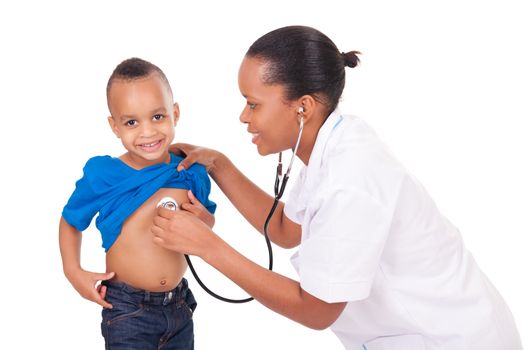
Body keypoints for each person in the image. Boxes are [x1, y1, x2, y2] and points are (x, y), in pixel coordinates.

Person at [151, 26, 522, 349]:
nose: (244, 117)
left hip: (452, 340)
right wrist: (219, 165)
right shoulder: (336, 143)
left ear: (303, 108)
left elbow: (316, 310)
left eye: (253, 104)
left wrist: (206, 245)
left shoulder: (350, 179)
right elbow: (285, 229)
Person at [59, 57, 216, 349]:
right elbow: (71, 220)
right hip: (127, 310)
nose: (147, 132)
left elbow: (206, 221)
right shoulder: (104, 175)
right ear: (115, 126)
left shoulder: (190, 171)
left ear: (175, 113)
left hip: (179, 305)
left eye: (158, 117)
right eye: (132, 122)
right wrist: (73, 270)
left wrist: (206, 221)